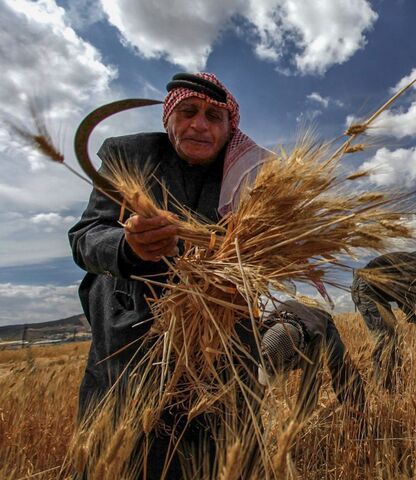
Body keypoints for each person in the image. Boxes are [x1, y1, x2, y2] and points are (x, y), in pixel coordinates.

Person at [68, 72, 270, 478]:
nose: (199, 124)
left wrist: (243, 276)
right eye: (189, 111)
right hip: (132, 342)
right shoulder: (129, 156)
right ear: (168, 117)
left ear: (231, 128)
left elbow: (268, 255)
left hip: (223, 341)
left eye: (214, 116)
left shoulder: (252, 179)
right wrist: (129, 248)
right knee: (128, 461)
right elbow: (86, 237)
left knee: (225, 454)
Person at [351, 244, 416, 391]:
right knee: (387, 337)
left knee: (394, 337)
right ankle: (386, 387)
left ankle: (393, 382)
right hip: (366, 288)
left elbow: (408, 297)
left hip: (376, 293)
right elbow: (404, 295)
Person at [257, 297, 366, 424]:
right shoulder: (262, 328)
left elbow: (310, 388)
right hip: (291, 309)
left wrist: (295, 424)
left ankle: (357, 411)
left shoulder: (314, 338)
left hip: (319, 315)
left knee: (338, 363)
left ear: (297, 356)